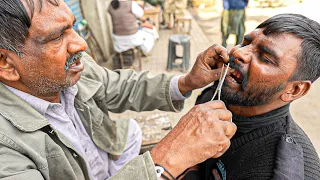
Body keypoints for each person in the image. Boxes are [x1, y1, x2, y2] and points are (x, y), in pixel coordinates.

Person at [0, 0, 237, 179]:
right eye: (57, 37)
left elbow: (122, 87)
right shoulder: (6, 151)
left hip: (106, 163)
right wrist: (164, 160)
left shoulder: (70, 71)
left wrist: (187, 82)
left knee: (129, 131)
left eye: (72, 28)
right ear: (7, 64)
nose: (81, 44)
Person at [182, 14, 320, 179]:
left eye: (265, 58)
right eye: (245, 43)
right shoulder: (216, 95)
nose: (239, 53)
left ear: (295, 89)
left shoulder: (278, 170)